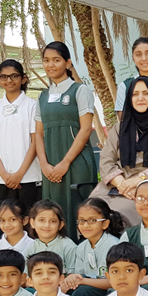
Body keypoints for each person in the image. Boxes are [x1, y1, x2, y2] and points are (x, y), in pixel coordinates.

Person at [91, 76, 148, 227]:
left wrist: (139, 179)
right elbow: (106, 159)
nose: (140, 98)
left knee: (119, 213)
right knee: (91, 210)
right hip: (117, 182)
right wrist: (121, 183)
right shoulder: (120, 128)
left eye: (146, 93)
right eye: (135, 94)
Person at [35, 41, 97, 240]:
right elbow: (38, 134)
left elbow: (85, 129)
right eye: (46, 60)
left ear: (68, 63)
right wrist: (44, 164)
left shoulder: (80, 90)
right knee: (52, 212)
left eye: (56, 60)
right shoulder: (42, 96)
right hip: (50, 165)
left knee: (79, 211)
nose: (50, 65)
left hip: (76, 162)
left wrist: (65, 162)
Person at [0, 59, 41, 208]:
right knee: (6, 219)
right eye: (4, 77)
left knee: (30, 219)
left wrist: (19, 174)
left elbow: (35, 142)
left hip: (29, 176)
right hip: (2, 179)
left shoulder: (33, 106)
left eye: (14, 76)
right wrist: (3, 174)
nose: (9, 80)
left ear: (23, 79)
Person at [63, 198, 124, 296]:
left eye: (92, 220)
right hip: (90, 289)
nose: (85, 225)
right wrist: (71, 279)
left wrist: (82, 281)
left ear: (105, 223)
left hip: (111, 292)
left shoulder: (113, 245)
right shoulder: (81, 247)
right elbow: (79, 275)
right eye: (81, 221)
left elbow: (114, 282)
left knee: (82, 293)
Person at [23, 199, 77, 275]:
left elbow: (73, 274)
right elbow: (26, 275)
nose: (47, 225)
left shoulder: (68, 246)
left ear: (61, 225)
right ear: (32, 223)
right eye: (42, 220)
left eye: (52, 221)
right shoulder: (30, 247)